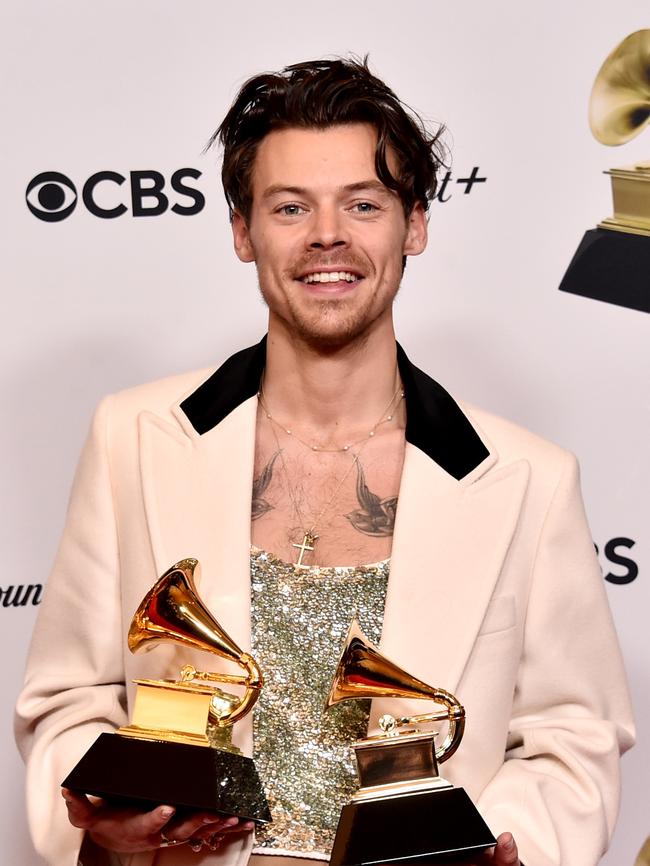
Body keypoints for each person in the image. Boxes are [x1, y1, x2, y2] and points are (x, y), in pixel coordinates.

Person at [15, 58, 634, 866]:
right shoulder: (131, 436)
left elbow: (571, 738)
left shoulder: (530, 479)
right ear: (243, 231)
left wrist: (500, 848)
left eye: (363, 204)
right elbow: (66, 702)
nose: (327, 236)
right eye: (290, 207)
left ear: (414, 225)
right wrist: (108, 827)